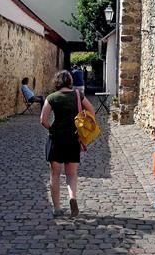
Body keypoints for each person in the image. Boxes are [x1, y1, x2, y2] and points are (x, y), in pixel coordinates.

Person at [40, 70, 95, 217]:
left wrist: (52, 129)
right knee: (71, 174)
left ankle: (57, 208)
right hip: (73, 138)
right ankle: (72, 197)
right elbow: (91, 110)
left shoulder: (52, 97)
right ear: (70, 81)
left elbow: (43, 120)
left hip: (56, 139)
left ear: (57, 82)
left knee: (55, 174)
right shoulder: (78, 95)